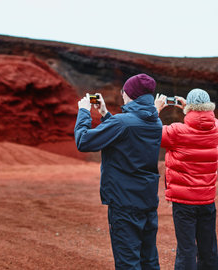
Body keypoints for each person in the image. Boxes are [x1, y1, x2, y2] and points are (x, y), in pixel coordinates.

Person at [74, 74, 163, 270]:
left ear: (131, 94)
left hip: (124, 203)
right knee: (148, 260)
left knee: (127, 262)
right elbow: (127, 135)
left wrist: (83, 112)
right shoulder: (155, 121)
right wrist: (105, 113)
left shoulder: (123, 123)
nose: (122, 95)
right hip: (147, 201)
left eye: (124, 91)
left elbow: (83, 141)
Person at [155, 89, 218, 270]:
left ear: (191, 108)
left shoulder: (177, 131)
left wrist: (156, 111)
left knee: (186, 249)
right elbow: (210, 121)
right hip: (207, 200)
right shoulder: (217, 130)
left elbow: (151, 132)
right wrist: (191, 108)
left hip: (184, 202)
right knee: (208, 248)